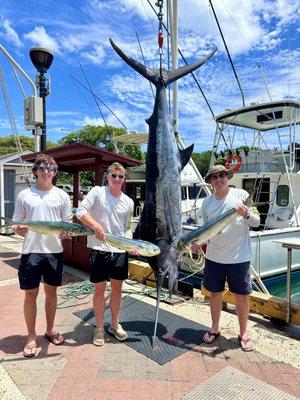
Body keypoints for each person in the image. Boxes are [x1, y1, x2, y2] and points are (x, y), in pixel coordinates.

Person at [13, 154, 72, 357]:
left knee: (52, 293)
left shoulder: (62, 196)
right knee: (30, 294)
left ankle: (50, 329)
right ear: (36, 170)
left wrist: (67, 232)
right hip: (31, 252)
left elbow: (67, 224)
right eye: (44, 168)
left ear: (55, 173)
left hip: (54, 252)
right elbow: (16, 223)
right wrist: (18, 229)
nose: (47, 172)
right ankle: (31, 336)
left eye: (51, 169)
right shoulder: (24, 195)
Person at [196, 164, 260, 352]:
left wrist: (246, 213)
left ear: (228, 177)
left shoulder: (241, 196)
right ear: (211, 181)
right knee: (214, 294)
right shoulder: (206, 203)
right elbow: (206, 229)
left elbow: (256, 222)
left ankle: (243, 333)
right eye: (214, 177)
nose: (218, 179)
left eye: (221, 175)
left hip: (239, 257)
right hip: (214, 257)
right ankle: (215, 328)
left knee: (241, 296)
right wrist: (198, 241)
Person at [76, 162, 138, 346]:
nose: (117, 179)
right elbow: (81, 211)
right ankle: (99, 328)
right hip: (99, 250)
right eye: (114, 176)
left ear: (124, 179)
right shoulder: (97, 191)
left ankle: (114, 324)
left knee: (118, 290)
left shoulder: (128, 201)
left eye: (121, 177)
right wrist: (95, 225)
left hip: (119, 251)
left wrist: (130, 244)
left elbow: (127, 228)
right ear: (107, 177)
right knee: (99, 290)